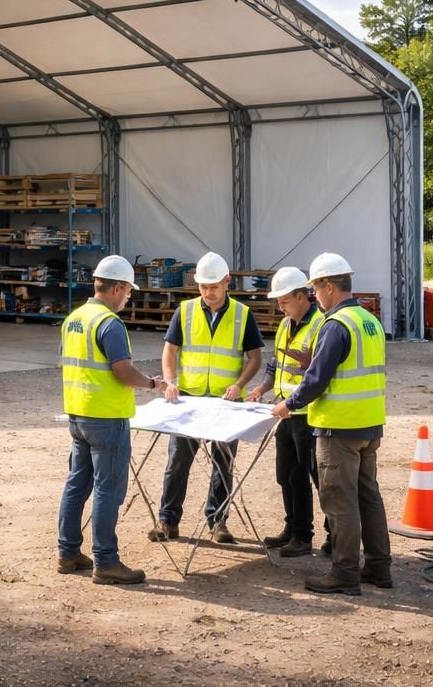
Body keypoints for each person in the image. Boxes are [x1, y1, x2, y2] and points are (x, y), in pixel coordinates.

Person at [271, 252, 391, 596]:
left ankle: (344, 572)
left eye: (315, 288)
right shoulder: (368, 321)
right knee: (368, 496)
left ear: (328, 286)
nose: (315, 295)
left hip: (339, 428)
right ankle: (379, 567)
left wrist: (288, 404)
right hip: (369, 423)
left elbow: (316, 378)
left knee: (340, 502)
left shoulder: (336, 324)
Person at [58, 254, 165, 586]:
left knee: (77, 485)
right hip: (106, 417)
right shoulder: (109, 323)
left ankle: (68, 553)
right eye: (128, 291)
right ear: (117, 288)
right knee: (108, 489)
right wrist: (152, 384)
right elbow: (123, 372)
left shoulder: (74, 319)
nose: (128, 298)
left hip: (78, 413)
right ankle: (106, 562)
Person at [150, 251, 263, 544]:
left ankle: (218, 521)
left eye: (213, 286)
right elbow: (170, 350)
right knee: (177, 460)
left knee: (223, 464)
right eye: (203, 286)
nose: (208, 292)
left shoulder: (243, 315)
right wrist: (171, 381)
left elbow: (254, 358)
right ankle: (168, 520)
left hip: (227, 402)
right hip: (190, 398)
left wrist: (239, 385)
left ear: (227, 282)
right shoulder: (185, 311)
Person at [247, 266, 326, 557]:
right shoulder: (284, 325)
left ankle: (309, 536)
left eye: (284, 301)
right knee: (287, 475)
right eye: (278, 301)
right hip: (285, 413)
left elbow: (318, 373)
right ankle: (292, 528)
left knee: (310, 477)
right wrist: (261, 388)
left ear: (301, 296)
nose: (280, 306)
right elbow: (275, 365)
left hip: (308, 414)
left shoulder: (320, 324)